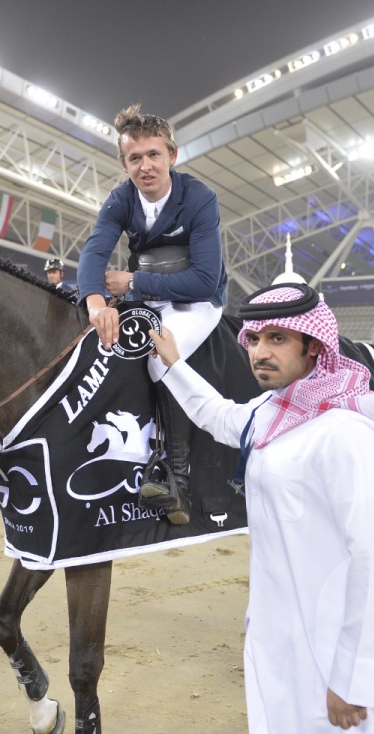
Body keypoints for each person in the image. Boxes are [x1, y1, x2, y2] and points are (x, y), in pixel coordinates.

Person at [149, 283, 374, 732]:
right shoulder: (270, 413)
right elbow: (215, 415)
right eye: (254, 339)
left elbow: (373, 561)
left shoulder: (348, 435)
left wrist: (354, 678)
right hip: (277, 634)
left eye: (277, 339)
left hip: (332, 648)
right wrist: (174, 365)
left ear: (314, 346)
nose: (260, 351)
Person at [76, 104, 227, 525]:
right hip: (146, 297)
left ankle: (174, 476)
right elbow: (95, 250)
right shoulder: (121, 198)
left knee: (160, 359)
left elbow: (202, 280)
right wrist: (94, 302)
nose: (146, 166)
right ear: (125, 164)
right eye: (134, 158)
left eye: (154, 155)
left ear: (172, 156)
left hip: (197, 303)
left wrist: (134, 285)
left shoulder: (199, 198)